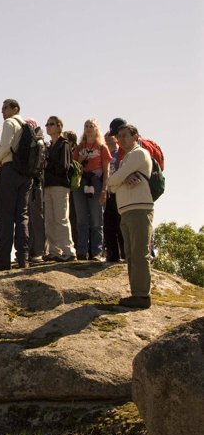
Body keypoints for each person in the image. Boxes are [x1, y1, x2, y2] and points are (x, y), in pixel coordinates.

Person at [108, 124, 154, 309]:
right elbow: (111, 185)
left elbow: (112, 180)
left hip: (139, 208)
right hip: (126, 209)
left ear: (135, 136)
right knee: (130, 254)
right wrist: (121, 178)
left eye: (125, 135)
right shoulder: (126, 158)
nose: (121, 139)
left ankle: (142, 295)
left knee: (139, 253)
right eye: (119, 136)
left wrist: (118, 179)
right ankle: (136, 293)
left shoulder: (138, 153)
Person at [0, 99, 32, 270]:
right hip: (26, 174)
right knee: (22, 215)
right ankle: (23, 258)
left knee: (6, 215)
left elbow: (6, 146)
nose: (2, 111)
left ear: (14, 109)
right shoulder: (27, 125)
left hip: (10, 169)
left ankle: (3, 260)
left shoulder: (10, 123)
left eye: (5, 108)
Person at [72, 119, 111, 261]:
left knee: (96, 219)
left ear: (97, 129)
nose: (88, 129)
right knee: (81, 219)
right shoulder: (79, 147)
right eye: (86, 126)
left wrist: (104, 189)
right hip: (81, 182)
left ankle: (96, 252)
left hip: (96, 182)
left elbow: (107, 170)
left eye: (91, 126)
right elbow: (72, 167)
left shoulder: (102, 147)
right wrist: (80, 160)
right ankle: (81, 251)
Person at [43, 116, 76, 262]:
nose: (48, 127)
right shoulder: (49, 146)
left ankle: (68, 250)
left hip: (60, 185)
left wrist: (47, 166)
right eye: (47, 124)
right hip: (48, 184)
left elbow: (63, 166)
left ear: (59, 126)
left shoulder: (64, 144)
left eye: (51, 124)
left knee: (61, 218)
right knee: (49, 219)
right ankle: (54, 250)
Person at [25, 117, 47, 263]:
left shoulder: (38, 142)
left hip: (35, 184)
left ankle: (38, 250)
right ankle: (30, 250)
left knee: (36, 218)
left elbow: (38, 165)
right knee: (28, 218)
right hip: (28, 184)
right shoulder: (29, 142)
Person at [103, 131, 125, 262]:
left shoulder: (121, 153)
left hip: (121, 192)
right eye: (105, 136)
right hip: (108, 192)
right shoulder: (105, 153)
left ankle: (125, 254)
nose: (107, 137)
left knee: (121, 224)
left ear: (116, 138)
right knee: (108, 224)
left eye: (110, 135)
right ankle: (112, 254)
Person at [63, 130, 79, 249]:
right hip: (65, 189)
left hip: (75, 190)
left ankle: (77, 246)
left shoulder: (76, 153)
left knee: (75, 218)